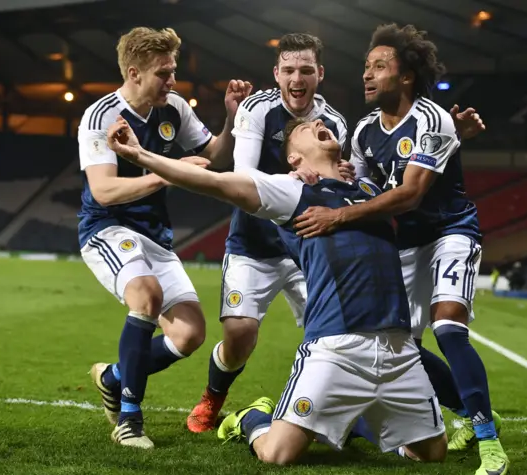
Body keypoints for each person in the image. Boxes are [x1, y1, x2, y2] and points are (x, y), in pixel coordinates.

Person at [107, 115, 447, 465]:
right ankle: (248, 419)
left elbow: (414, 182)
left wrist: (452, 136)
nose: (316, 122)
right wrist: (140, 155)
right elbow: (213, 182)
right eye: (304, 129)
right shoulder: (290, 191)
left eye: (318, 123)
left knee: (432, 455)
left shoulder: (370, 191)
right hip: (336, 349)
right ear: (294, 158)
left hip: (400, 350)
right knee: (277, 455)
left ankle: (351, 421)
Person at [291, 23, 508, 475]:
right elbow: (365, 187)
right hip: (404, 241)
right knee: (404, 347)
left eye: (380, 67)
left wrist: (337, 216)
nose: (367, 75)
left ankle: (489, 443)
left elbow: (408, 194)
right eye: (367, 67)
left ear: (406, 75)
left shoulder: (432, 118)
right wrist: (312, 177)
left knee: (448, 327)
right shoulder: (366, 130)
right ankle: (469, 412)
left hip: (450, 230)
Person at [78, 26, 251, 448]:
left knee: (190, 334)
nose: (172, 81)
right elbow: (104, 191)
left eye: (172, 70)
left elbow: (214, 156)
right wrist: (165, 175)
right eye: (163, 73)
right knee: (146, 294)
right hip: (107, 228)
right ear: (134, 73)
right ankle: (129, 420)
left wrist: (231, 117)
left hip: (154, 235)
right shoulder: (102, 116)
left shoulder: (173, 107)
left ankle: (114, 377)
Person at [186, 32, 352, 434]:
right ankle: (213, 398)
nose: (298, 78)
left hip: (307, 248)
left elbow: (338, 186)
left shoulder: (335, 124)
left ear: (320, 74)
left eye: (306, 70)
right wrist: (293, 177)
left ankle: (330, 410)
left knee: (340, 333)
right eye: (290, 70)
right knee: (240, 334)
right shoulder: (257, 108)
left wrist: (344, 176)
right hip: (253, 245)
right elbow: (242, 174)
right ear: (276, 73)